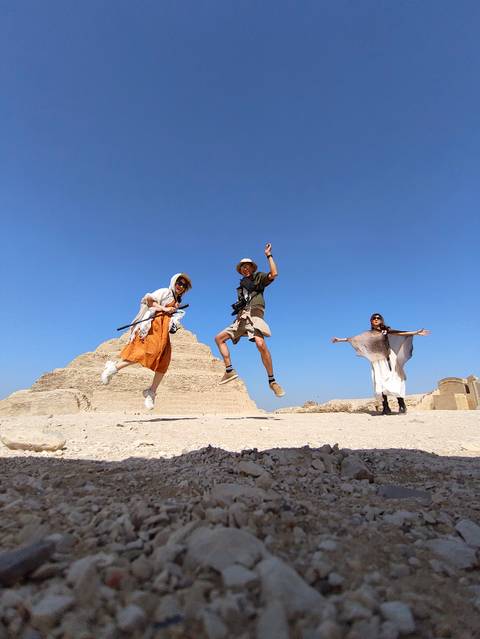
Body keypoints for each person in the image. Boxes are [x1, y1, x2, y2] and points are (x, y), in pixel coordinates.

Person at [101, 273, 192, 410]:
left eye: (184, 285)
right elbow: (149, 300)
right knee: (145, 352)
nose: (181, 286)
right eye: (179, 283)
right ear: (173, 282)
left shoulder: (176, 299)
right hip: (153, 327)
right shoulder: (165, 291)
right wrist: (164, 308)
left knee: (164, 361)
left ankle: (151, 392)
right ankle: (113, 368)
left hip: (163, 331)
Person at [214, 243, 285, 397]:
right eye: (242, 267)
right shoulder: (240, 288)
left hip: (255, 315)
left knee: (260, 344)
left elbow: (274, 273)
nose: (245, 269)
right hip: (241, 317)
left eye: (247, 266)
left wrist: (268, 255)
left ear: (252, 268)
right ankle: (229, 370)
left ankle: (272, 381)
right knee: (219, 338)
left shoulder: (258, 278)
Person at [331, 313, 430, 414]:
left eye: (378, 318)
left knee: (395, 379)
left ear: (381, 320)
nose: (376, 319)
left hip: (389, 358)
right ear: (371, 321)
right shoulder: (368, 334)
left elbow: (400, 333)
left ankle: (401, 404)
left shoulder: (386, 330)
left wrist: (416, 332)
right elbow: (354, 339)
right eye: (374, 318)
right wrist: (340, 340)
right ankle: (386, 407)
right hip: (377, 360)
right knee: (380, 382)